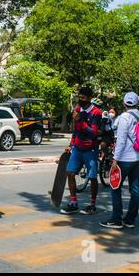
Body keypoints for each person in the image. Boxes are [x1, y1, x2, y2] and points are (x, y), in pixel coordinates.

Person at [100, 92, 139, 229]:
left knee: (115, 187)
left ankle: (116, 219)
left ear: (124, 103)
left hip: (125, 159)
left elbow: (120, 141)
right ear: (137, 103)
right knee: (135, 188)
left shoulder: (124, 117)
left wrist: (115, 158)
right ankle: (130, 220)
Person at [61, 87, 102, 215]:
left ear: (89, 98)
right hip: (78, 148)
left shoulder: (96, 112)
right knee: (70, 173)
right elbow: (75, 130)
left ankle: (92, 205)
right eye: (79, 97)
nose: (80, 100)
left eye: (83, 98)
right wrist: (71, 144)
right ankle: (74, 203)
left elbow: (93, 133)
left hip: (90, 149)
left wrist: (80, 120)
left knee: (92, 177)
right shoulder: (78, 109)